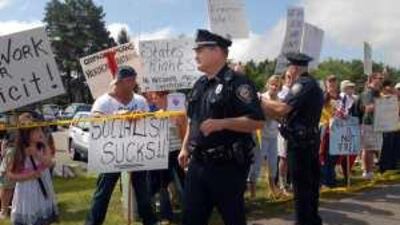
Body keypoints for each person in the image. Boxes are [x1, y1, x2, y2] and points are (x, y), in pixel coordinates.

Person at [178, 29, 264, 225]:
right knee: (190, 218)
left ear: (217, 51)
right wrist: (185, 147)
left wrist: (222, 123)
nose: (195, 55)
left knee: (233, 218)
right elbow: (193, 120)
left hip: (228, 167)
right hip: (198, 164)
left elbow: (257, 121)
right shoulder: (199, 84)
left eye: (200, 50)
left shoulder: (237, 83)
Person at [85, 65, 157, 225]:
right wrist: (116, 116)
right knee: (103, 193)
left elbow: (150, 122)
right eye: (129, 80)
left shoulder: (140, 100)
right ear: (118, 82)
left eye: (133, 80)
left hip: (137, 152)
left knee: (143, 193)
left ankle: (150, 221)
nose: (133, 83)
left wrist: (142, 117)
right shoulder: (103, 101)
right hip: (112, 154)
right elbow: (95, 120)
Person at [261, 52, 324, 225]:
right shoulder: (312, 84)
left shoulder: (302, 85)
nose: (288, 72)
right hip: (307, 140)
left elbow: (282, 109)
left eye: (289, 67)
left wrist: (260, 100)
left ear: (294, 67)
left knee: (302, 187)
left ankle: (304, 221)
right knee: (310, 186)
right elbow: (286, 116)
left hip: (301, 144)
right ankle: (311, 220)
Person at [6, 115, 58, 225]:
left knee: (43, 218)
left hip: (43, 188)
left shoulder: (43, 147)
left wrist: (38, 154)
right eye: (36, 130)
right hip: (27, 192)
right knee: (29, 218)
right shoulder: (19, 152)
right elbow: (11, 174)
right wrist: (29, 176)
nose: (40, 132)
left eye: (40, 129)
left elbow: (49, 163)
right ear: (26, 134)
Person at [149, 91, 187, 224]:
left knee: (182, 185)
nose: (154, 101)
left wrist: (185, 150)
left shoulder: (177, 112)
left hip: (176, 153)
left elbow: (184, 132)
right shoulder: (157, 115)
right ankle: (166, 216)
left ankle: (190, 212)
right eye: (153, 98)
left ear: (164, 97)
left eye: (155, 98)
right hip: (162, 154)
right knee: (161, 186)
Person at [247, 75, 281, 198]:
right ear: (267, 85)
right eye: (272, 84)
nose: (274, 87)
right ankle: (252, 192)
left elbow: (279, 116)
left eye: (277, 85)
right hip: (261, 135)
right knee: (256, 164)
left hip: (273, 135)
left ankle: (272, 188)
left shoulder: (280, 99)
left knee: (273, 163)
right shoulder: (261, 97)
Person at [359, 72, 384, 179]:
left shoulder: (377, 92)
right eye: (379, 78)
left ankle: (370, 170)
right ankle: (366, 172)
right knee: (368, 149)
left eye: (382, 78)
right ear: (373, 79)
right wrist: (383, 104)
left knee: (373, 148)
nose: (381, 80)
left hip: (377, 123)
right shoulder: (368, 92)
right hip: (368, 123)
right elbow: (367, 108)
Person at [319, 75, 340, 187]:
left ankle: (331, 178)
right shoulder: (323, 96)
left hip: (337, 129)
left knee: (334, 155)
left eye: (334, 82)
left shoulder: (340, 97)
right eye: (330, 83)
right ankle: (325, 180)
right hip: (325, 128)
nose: (332, 85)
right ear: (326, 84)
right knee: (325, 155)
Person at [277, 70, 294, 194]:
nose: (290, 79)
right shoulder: (280, 92)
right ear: (283, 79)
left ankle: (291, 183)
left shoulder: (297, 90)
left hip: (295, 129)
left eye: (292, 77)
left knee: (292, 157)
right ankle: (282, 184)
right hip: (283, 128)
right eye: (288, 77)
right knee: (283, 157)